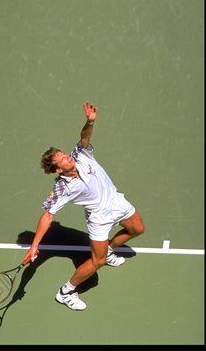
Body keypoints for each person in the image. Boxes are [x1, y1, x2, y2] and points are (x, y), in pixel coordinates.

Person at [23, 101, 145, 311]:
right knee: (96, 262)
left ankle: (109, 250)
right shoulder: (62, 188)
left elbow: (85, 137)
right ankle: (66, 291)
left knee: (137, 229)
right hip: (99, 217)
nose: (66, 156)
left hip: (116, 201)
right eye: (61, 158)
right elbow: (47, 216)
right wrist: (35, 246)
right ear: (57, 170)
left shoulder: (81, 155)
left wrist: (89, 121)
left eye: (63, 153)